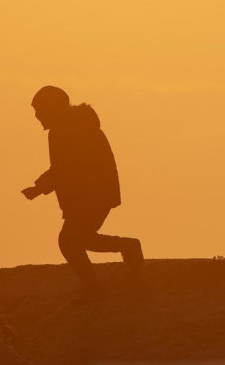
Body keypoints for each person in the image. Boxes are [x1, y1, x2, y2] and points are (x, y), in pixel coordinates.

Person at [21, 86, 143, 303]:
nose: (37, 116)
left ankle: (96, 285)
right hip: (91, 196)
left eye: (39, 110)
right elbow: (63, 167)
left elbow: (64, 168)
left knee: (69, 241)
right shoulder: (72, 127)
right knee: (81, 239)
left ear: (52, 108)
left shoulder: (67, 130)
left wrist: (39, 188)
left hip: (90, 196)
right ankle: (128, 249)